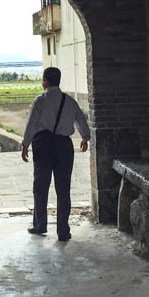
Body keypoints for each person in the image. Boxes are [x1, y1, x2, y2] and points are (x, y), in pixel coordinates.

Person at [21, 66, 90, 241]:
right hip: (63, 146)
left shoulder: (40, 100)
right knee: (63, 188)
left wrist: (25, 144)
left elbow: (31, 124)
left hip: (43, 145)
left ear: (45, 81)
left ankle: (40, 225)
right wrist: (85, 138)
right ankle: (63, 231)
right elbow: (81, 121)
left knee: (40, 187)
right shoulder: (70, 101)